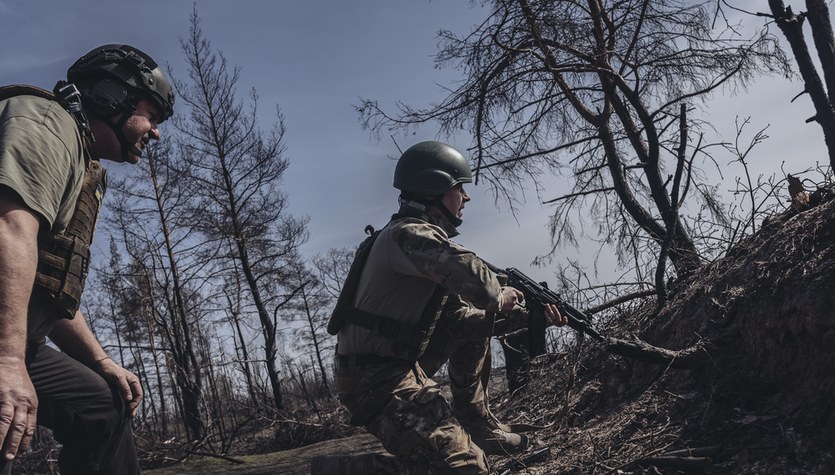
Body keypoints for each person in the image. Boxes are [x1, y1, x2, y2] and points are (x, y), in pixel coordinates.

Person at [319, 141, 568, 474]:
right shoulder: (407, 235)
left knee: (465, 452)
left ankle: (478, 428)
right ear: (434, 188)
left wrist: (531, 318)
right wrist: (501, 293)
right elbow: (480, 285)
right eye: (459, 188)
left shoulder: (419, 249)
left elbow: (464, 323)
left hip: (395, 370)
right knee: (464, 466)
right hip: (375, 380)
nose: (466, 198)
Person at [0, 44, 174, 475]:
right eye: (152, 116)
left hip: (18, 340)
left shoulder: (77, 157)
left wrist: (101, 362)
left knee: (103, 406)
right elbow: (8, 230)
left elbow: (44, 286)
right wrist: (7, 362)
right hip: (4, 347)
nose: (156, 133)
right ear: (112, 97)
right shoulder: (45, 124)